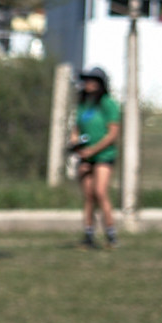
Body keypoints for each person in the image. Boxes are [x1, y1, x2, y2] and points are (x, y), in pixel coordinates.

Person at [71, 68, 122, 247]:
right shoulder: (84, 105)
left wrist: (93, 150)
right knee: (89, 196)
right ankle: (89, 234)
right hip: (85, 155)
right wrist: (76, 145)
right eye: (87, 80)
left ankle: (111, 233)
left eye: (93, 80)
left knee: (100, 192)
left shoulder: (108, 104)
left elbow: (113, 133)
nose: (89, 84)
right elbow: (77, 129)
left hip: (103, 155)